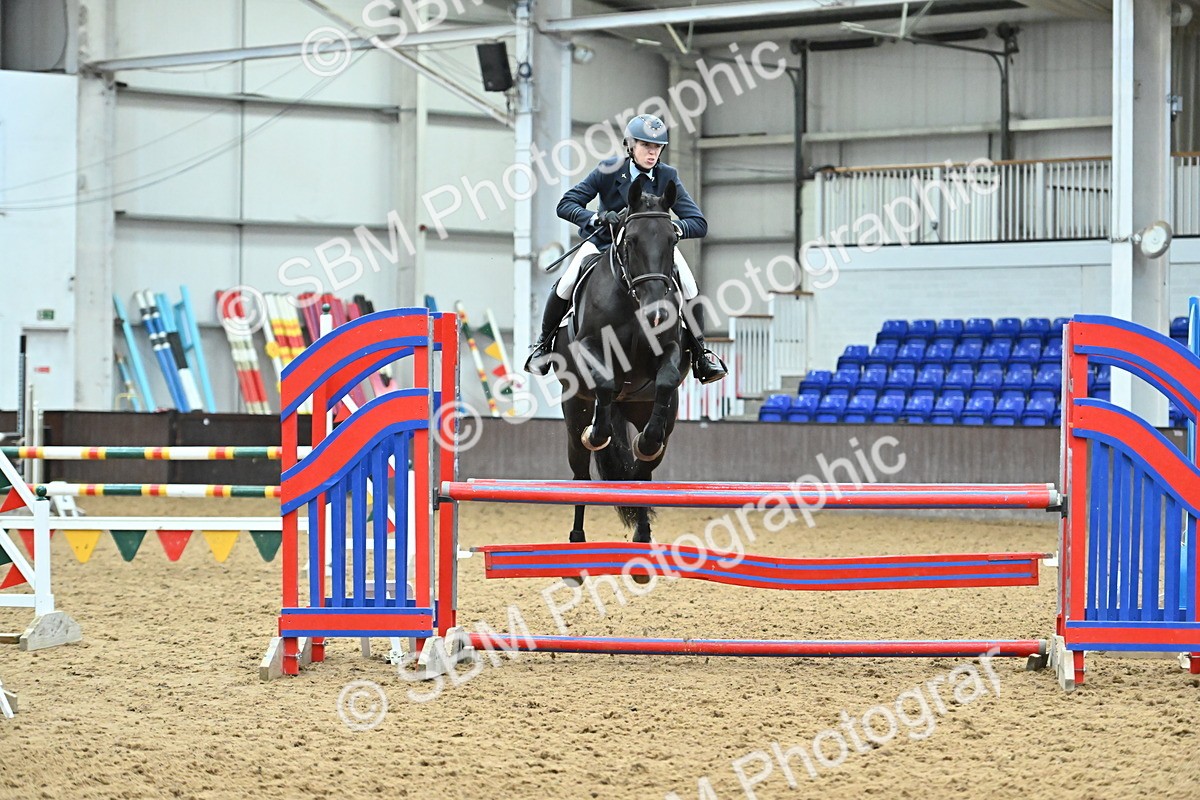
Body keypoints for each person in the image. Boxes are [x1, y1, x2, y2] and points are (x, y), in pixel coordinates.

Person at [523, 113, 727, 384]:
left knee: (689, 284)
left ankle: (702, 353)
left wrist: (673, 230)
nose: (652, 153)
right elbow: (566, 203)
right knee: (566, 283)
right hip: (604, 244)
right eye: (646, 146)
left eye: (656, 147)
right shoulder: (608, 170)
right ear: (631, 146)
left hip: (650, 251)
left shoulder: (668, 176)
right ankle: (543, 346)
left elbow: (698, 222)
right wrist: (594, 218)